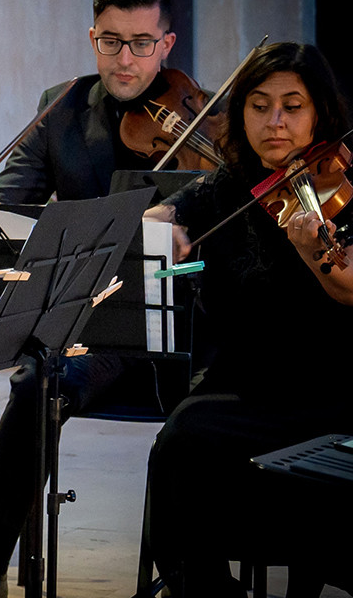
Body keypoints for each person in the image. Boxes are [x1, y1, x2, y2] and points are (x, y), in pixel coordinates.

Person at [0, 0, 180, 597]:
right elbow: (10, 205)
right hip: (101, 330)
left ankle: (186, 569)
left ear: (167, 44)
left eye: (141, 43)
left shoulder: (204, 118)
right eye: (111, 41)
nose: (125, 59)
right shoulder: (60, 107)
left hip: (185, 329)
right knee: (38, 380)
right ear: (93, 38)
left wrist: (179, 213)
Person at [144, 42, 353, 596]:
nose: (275, 121)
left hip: (333, 388)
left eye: (292, 107)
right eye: (259, 106)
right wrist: (163, 227)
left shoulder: (342, 189)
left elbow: (351, 290)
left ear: (320, 114)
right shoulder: (230, 184)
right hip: (247, 385)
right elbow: (160, 212)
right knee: (179, 442)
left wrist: (313, 253)